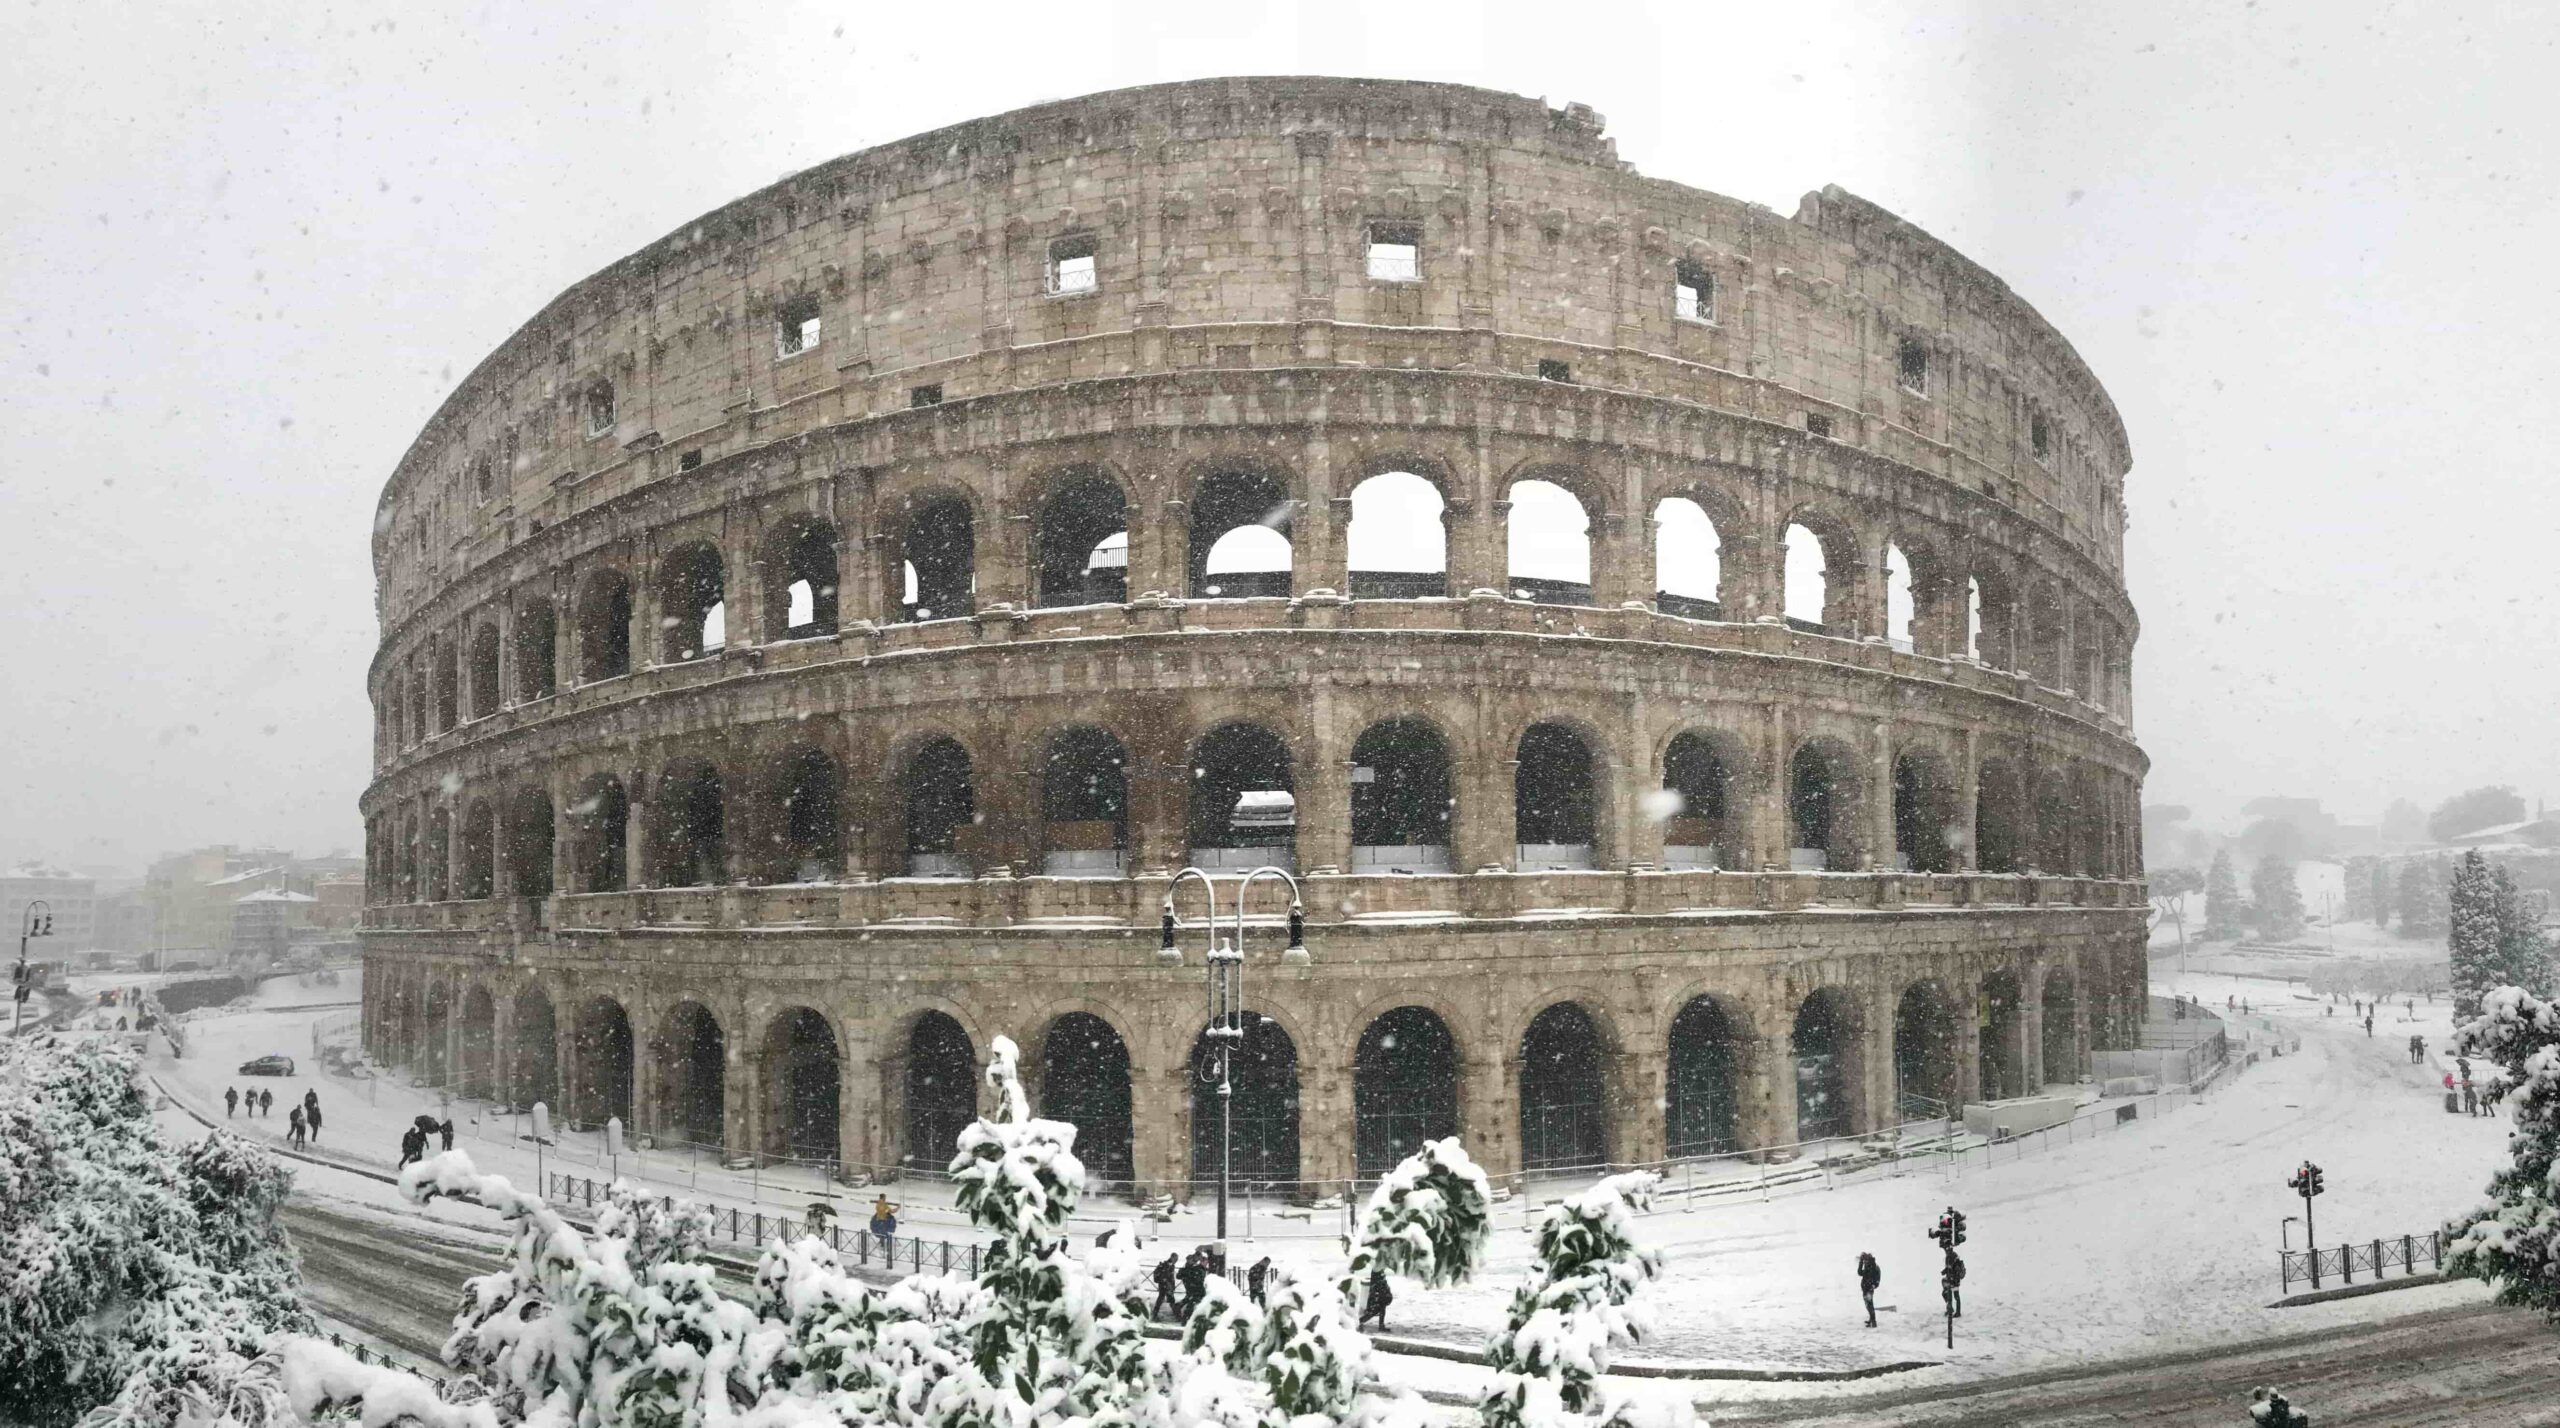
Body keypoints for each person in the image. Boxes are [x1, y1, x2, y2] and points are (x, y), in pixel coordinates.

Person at [1177, 1249, 1209, 1321]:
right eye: (1199, 1257)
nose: (1199, 1258)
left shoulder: (1196, 1263)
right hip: (1191, 1285)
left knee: (1190, 1299)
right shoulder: (1192, 1260)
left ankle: (1181, 1310)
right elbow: (1191, 1272)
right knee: (1191, 1300)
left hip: (1192, 1284)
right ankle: (1183, 1314)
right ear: (1197, 1256)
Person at [1358, 1266, 1393, 1331]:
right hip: (1377, 1294)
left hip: (1380, 1293)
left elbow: (1382, 1281)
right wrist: (1379, 1292)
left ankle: (1381, 1326)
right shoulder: (1376, 1269)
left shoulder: (1380, 1269)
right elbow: (1378, 1283)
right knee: (1374, 1311)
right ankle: (1359, 1322)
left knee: (1380, 1309)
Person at [1857, 1251, 1882, 1329]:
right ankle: (1871, 1320)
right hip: (1867, 1288)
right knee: (1868, 1305)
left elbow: (1860, 1273)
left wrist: (1872, 1286)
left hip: (1868, 1288)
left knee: (1869, 1305)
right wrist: (1861, 1262)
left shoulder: (1872, 1267)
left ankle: (1873, 1322)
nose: (1865, 1262)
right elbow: (1861, 1273)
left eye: (1865, 1260)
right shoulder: (1870, 1265)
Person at [1151, 1254, 1180, 1321]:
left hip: (1166, 1285)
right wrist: (1168, 1284)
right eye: (1175, 1259)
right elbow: (1166, 1276)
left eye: (1177, 1259)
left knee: (1163, 1299)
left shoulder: (1171, 1265)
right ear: (1171, 1257)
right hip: (1165, 1285)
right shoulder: (1166, 1265)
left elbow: (1171, 1277)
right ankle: (1177, 1315)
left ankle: (1155, 1314)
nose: (1176, 1261)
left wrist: (1172, 1285)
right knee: (1167, 1299)